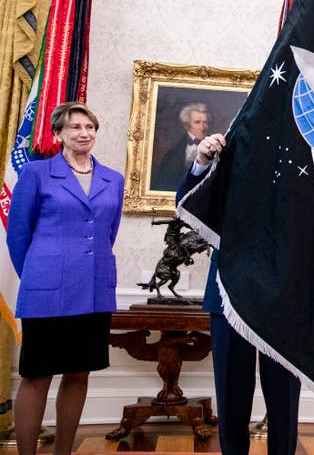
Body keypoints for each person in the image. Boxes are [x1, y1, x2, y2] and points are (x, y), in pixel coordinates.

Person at [6, 102, 124, 455]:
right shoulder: (37, 174)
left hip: (93, 292)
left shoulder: (112, 179)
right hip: (47, 293)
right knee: (38, 376)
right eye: (75, 127)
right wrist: (41, 273)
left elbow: (108, 233)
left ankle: (63, 452)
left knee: (79, 373)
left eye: (90, 127)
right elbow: (17, 236)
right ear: (58, 134)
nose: (84, 133)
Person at [177, 132, 301, 455]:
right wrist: (202, 161)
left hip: (281, 303)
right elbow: (188, 202)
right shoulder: (228, 154)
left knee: (284, 401)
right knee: (231, 399)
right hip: (227, 297)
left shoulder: (299, 165)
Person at [150, 102, 210, 191]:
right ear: (186, 125)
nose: (202, 127)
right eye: (197, 122)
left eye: (205, 122)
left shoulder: (215, 149)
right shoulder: (172, 156)